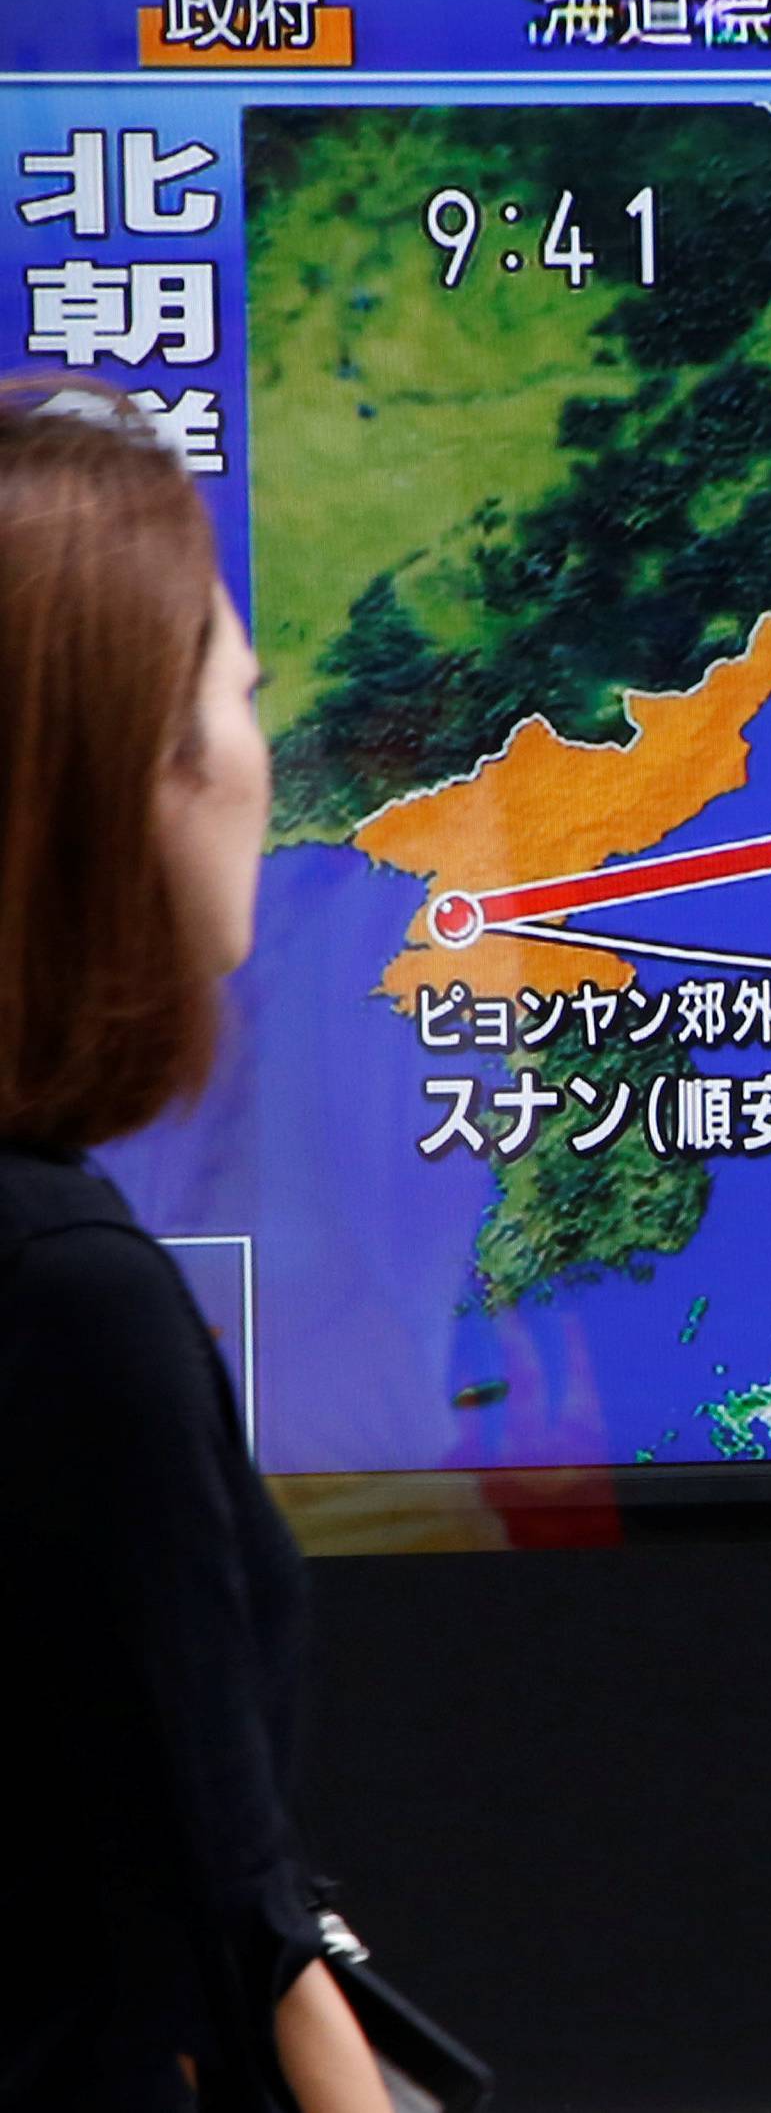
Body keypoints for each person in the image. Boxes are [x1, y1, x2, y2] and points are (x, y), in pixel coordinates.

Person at [0, 378, 390, 2113]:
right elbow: (236, 1923)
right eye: (234, 701)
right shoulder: (70, 1305)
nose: (263, 753)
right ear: (120, 776)